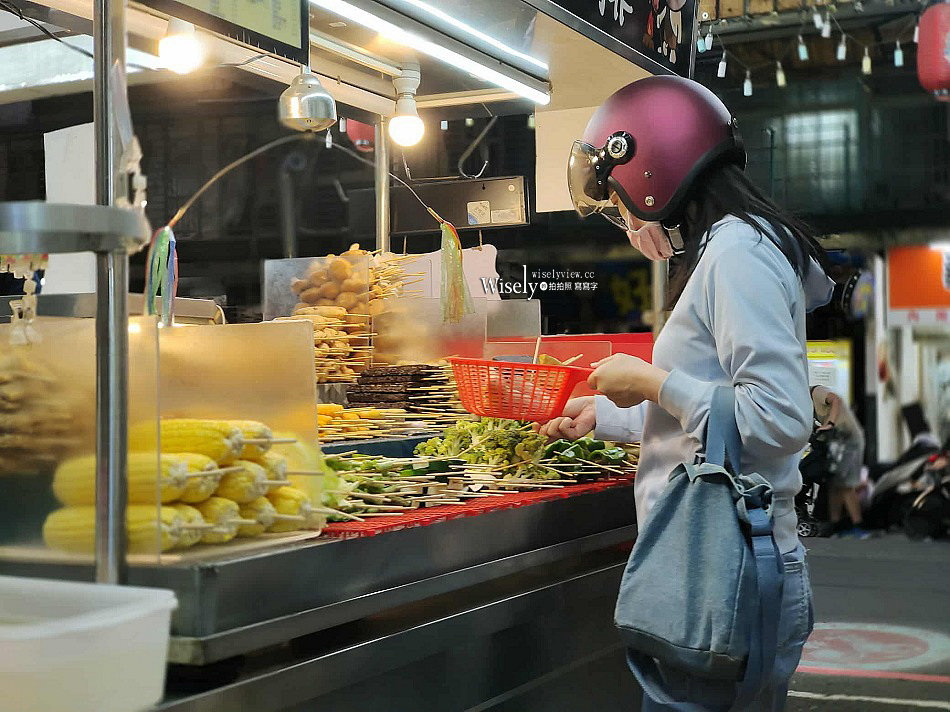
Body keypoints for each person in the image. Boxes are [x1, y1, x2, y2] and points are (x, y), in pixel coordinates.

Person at [546, 76, 835, 711]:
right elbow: (713, 414)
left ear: (652, 167)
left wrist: (651, 381)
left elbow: (778, 419)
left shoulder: (738, 253)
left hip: (728, 571)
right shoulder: (731, 249)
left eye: (620, 199)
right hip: (719, 568)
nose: (625, 217)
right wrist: (609, 415)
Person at [810, 385, 869, 538]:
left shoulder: (815, 392)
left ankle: (858, 526)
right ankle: (835, 526)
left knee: (845, 485)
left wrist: (830, 424)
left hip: (849, 440)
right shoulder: (806, 406)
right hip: (837, 440)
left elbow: (836, 400)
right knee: (834, 483)